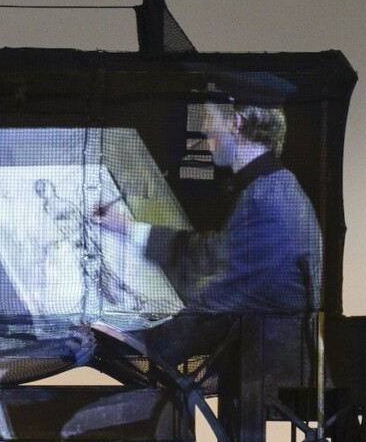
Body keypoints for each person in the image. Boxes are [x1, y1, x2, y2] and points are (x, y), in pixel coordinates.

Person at [92, 89, 323, 359]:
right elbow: (210, 252)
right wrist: (129, 228)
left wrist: (133, 343)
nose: (203, 129)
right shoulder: (272, 188)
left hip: (275, 381)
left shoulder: (267, 202)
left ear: (236, 124)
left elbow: (219, 305)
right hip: (266, 374)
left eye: (207, 118)